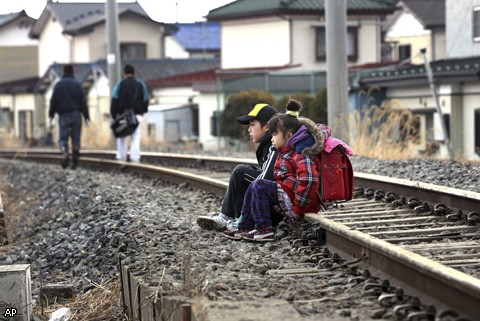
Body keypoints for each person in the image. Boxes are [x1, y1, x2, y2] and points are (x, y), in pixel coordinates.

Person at [223, 99, 331, 242]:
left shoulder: (301, 154)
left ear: (289, 136)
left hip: (299, 204)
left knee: (260, 185)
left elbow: (309, 181)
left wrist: (298, 210)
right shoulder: (284, 151)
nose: (272, 138)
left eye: (274, 135)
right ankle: (244, 227)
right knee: (255, 185)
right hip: (289, 197)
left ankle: (264, 230)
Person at [196, 103, 279, 231]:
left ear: (267, 126)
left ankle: (232, 218)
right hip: (278, 194)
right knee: (244, 172)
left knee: (240, 173)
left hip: (280, 198)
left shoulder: (274, 146)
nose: (249, 130)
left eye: (252, 125)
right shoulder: (267, 144)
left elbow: (267, 180)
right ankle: (238, 217)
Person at [49, 64, 90, 169]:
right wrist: (87, 117)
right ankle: (75, 162)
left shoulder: (58, 86)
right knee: (76, 138)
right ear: (73, 72)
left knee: (63, 138)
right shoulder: (77, 85)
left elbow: (53, 102)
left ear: (63, 72)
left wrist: (51, 116)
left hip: (63, 115)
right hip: (76, 114)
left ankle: (65, 153)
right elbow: (83, 102)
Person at [110, 64, 149, 163]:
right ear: (134, 73)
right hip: (136, 115)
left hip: (122, 115)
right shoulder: (140, 84)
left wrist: (114, 115)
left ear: (124, 73)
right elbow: (145, 99)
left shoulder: (120, 84)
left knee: (121, 137)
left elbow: (114, 100)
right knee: (135, 138)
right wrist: (143, 111)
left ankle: (121, 157)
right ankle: (135, 158)